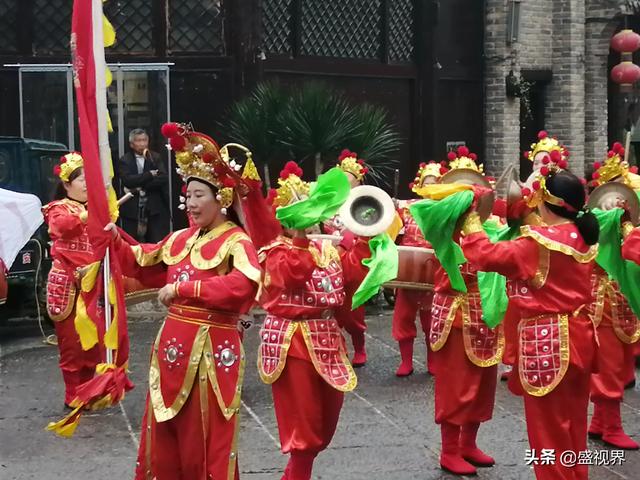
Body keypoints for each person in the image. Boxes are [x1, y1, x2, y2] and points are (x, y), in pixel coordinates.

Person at [108, 123, 261, 480]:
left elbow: (242, 285)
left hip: (211, 350)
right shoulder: (181, 238)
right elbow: (142, 260)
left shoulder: (236, 241)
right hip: (172, 352)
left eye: (198, 196)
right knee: (166, 433)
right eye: (188, 195)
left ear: (221, 199)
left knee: (205, 438)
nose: (190, 203)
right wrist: (113, 235)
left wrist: (186, 289)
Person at [460, 166, 599, 480]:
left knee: (548, 432)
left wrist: (470, 221)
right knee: (573, 425)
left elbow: (485, 255)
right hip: (580, 337)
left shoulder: (537, 243)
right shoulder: (583, 233)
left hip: (548, 341)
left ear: (546, 201)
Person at [255, 161, 370, 480]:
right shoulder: (275, 250)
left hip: (327, 336)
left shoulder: (328, 247)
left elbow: (351, 277)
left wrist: (363, 240)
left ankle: (294, 472)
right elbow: (292, 275)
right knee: (304, 421)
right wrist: (301, 237)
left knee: (326, 417)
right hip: (292, 339)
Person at [423, 147, 504, 476]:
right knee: (457, 384)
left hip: (483, 313)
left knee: (483, 383)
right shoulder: (443, 233)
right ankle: (449, 450)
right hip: (456, 316)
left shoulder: (487, 229)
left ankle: (469, 443)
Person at [586, 143, 640, 450]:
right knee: (609, 366)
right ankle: (612, 427)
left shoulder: (623, 228)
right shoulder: (596, 225)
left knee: (619, 364)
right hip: (602, 307)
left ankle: (599, 422)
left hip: (621, 304)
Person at [42, 152, 102, 407]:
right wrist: (90, 215)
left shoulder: (92, 210)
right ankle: (73, 395)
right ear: (67, 184)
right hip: (69, 285)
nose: (88, 184)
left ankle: (90, 390)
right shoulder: (58, 209)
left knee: (93, 342)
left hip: (92, 283)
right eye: (82, 180)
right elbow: (63, 227)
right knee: (71, 344)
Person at [392, 161, 447, 376]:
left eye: (435, 184)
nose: (430, 187)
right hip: (407, 270)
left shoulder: (445, 210)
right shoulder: (408, 207)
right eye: (427, 183)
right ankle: (406, 361)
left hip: (432, 270)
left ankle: (432, 360)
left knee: (431, 319)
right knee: (403, 316)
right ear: (420, 185)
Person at [324, 149, 369, 367]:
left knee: (352, 312)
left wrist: (346, 240)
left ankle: (359, 346)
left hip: (352, 261)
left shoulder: (363, 205)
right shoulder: (328, 203)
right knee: (330, 310)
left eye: (352, 182)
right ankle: (335, 347)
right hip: (328, 259)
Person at [118, 128, 170, 243]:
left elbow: (163, 178)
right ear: (131, 144)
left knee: (156, 241)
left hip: (153, 206)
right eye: (138, 141)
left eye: (144, 140)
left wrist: (141, 185)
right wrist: (149, 175)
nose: (142, 144)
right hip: (132, 209)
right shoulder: (125, 160)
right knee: (131, 243)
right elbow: (127, 180)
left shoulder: (155, 157)